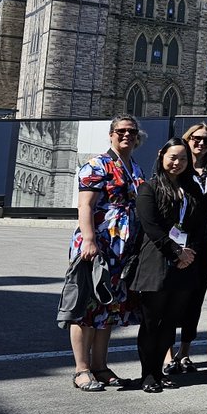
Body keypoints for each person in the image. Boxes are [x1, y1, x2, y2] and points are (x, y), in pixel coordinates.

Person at [68, 115, 144, 392]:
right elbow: (85, 206)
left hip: (121, 250)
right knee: (87, 307)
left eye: (131, 132)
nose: (126, 135)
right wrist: (89, 239)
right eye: (121, 131)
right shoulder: (97, 164)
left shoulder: (134, 166)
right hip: (97, 245)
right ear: (111, 134)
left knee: (109, 309)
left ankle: (100, 366)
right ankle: (81, 370)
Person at [133, 138, 207, 393]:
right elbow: (152, 227)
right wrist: (176, 251)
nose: (177, 163)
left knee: (170, 321)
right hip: (156, 260)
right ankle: (148, 374)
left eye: (183, 158)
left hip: (185, 262)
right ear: (162, 156)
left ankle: (159, 370)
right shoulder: (149, 188)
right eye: (173, 157)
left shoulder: (193, 190)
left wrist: (191, 253)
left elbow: (200, 226)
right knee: (151, 321)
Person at [164, 123, 207, 377]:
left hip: (205, 245)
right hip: (178, 244)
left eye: (206, 141)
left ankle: (184, 352)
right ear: (187, 140)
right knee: (171, 299)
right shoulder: (178, 170)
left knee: (194, 301)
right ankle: (166, 354)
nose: (201, 144)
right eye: (196, 139)